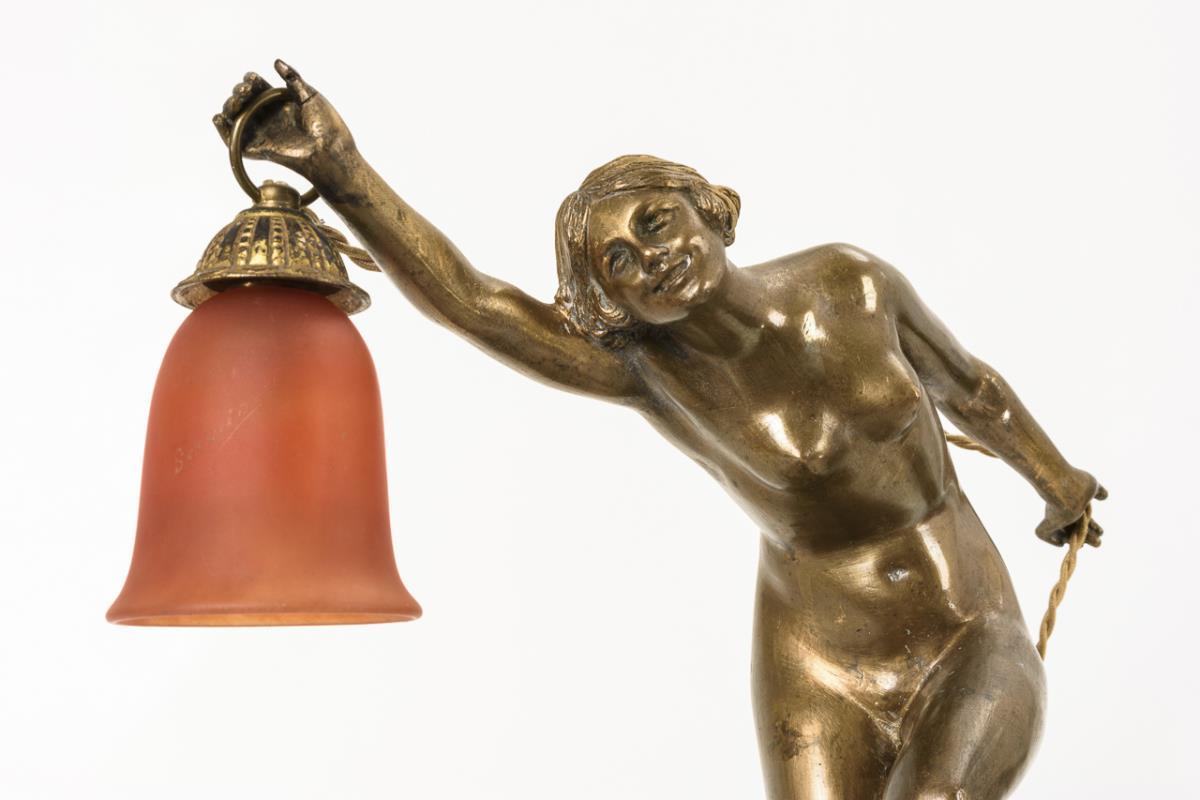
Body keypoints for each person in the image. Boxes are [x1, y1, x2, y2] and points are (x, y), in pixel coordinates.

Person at [214, 60, 1106, 800]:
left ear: (704, 206)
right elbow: (477, 304)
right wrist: (342, 170)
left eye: (655, 222)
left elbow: (972, 390)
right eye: (620, 263)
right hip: (818, 664)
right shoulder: (650, 374)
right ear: (612, 302)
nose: (654, 258)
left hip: (964, 623)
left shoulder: (853, 283)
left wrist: (1057, 484)